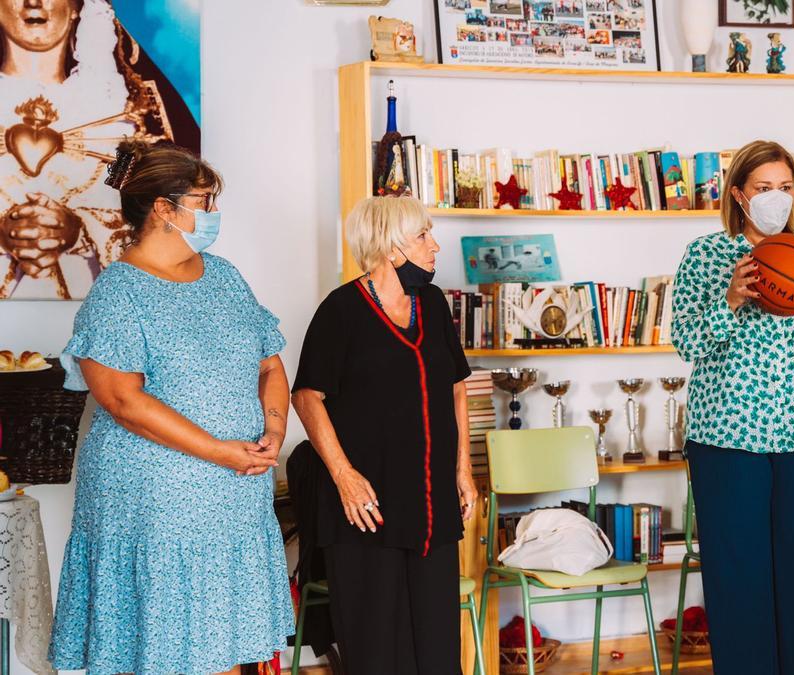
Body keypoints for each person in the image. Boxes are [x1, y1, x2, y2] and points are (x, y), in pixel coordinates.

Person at [50, 140, 293, 674]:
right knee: (162, 654)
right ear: (164, 208)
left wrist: (272, 432)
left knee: (226, 649)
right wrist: (218, 451)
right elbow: (122, 400)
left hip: (235, 497)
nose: (213, 214)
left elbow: (270, 365)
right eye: (205, 202)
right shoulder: (118, 293)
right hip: (157, 506)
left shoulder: (224, 276)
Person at [670, 140, 794, 673]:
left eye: (784, 187)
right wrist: (729, 300)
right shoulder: (705, 256)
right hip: (727, 439)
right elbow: (687, 344)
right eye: (763, 188)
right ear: (738, 193)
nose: (776, 197)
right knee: (738, 571)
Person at [291, 195, 478, 673]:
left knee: (438, 653)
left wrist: (464, 470)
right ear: (391, 247)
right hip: (366, 511)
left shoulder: (433, 305)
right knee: (377, 654)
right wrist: (344, 476)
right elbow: (307, 397)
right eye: (422, 236)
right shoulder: (341, 311)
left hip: (432, 505)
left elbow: (457, 388)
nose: (435, 246)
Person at [0, 0, 199, 299]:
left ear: (76, 7)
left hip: (98, 307)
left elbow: (142, 209)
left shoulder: (122, 118)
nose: (33, 3)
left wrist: (77, 231)